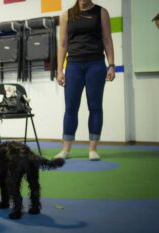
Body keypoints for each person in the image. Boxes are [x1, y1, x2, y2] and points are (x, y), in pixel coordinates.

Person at [54, 0, 115, 161]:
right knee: (71, 107)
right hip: (73, 65)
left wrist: (112, 65)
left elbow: (107, 39)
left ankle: (93, 149)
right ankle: (66, 149)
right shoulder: (66, 15)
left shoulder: (101, 12)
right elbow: (62, 44)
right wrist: (60, 70)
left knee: (95, 106)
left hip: (95, 64)